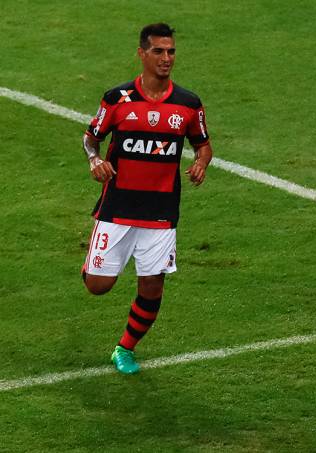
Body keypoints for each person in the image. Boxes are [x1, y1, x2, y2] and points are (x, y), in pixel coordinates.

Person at [81, 23, 213, 375]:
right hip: (118, 206)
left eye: (171, 51)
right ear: (142, 54)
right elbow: (90, 139)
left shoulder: (187, 104)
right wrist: (95, 160)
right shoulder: (117, 100)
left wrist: (201, 163)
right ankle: (94, 259)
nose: (166, 58)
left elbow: (203, 144)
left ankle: (125, 349)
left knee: (152, 287)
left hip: (161, 210)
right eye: (158, 51)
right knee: (98, 286)